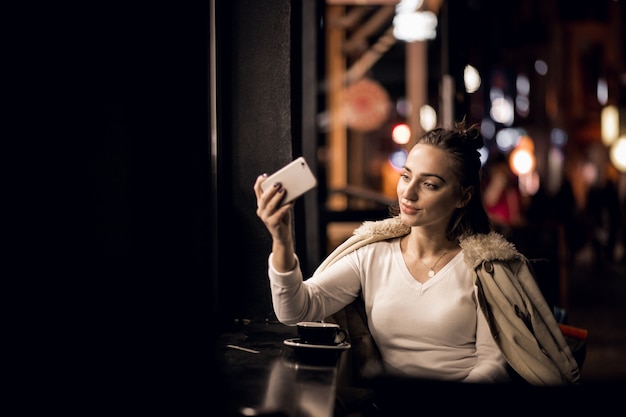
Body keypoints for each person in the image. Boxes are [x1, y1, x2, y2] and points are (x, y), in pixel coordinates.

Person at [254, 121, 580, 389]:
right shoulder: (372, 256)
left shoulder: (483, 269)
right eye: (406, 176)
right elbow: (295, 309)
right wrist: (281, 238)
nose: (408, 193)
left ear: (463, 196)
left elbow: (491, 365)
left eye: (430, 184)